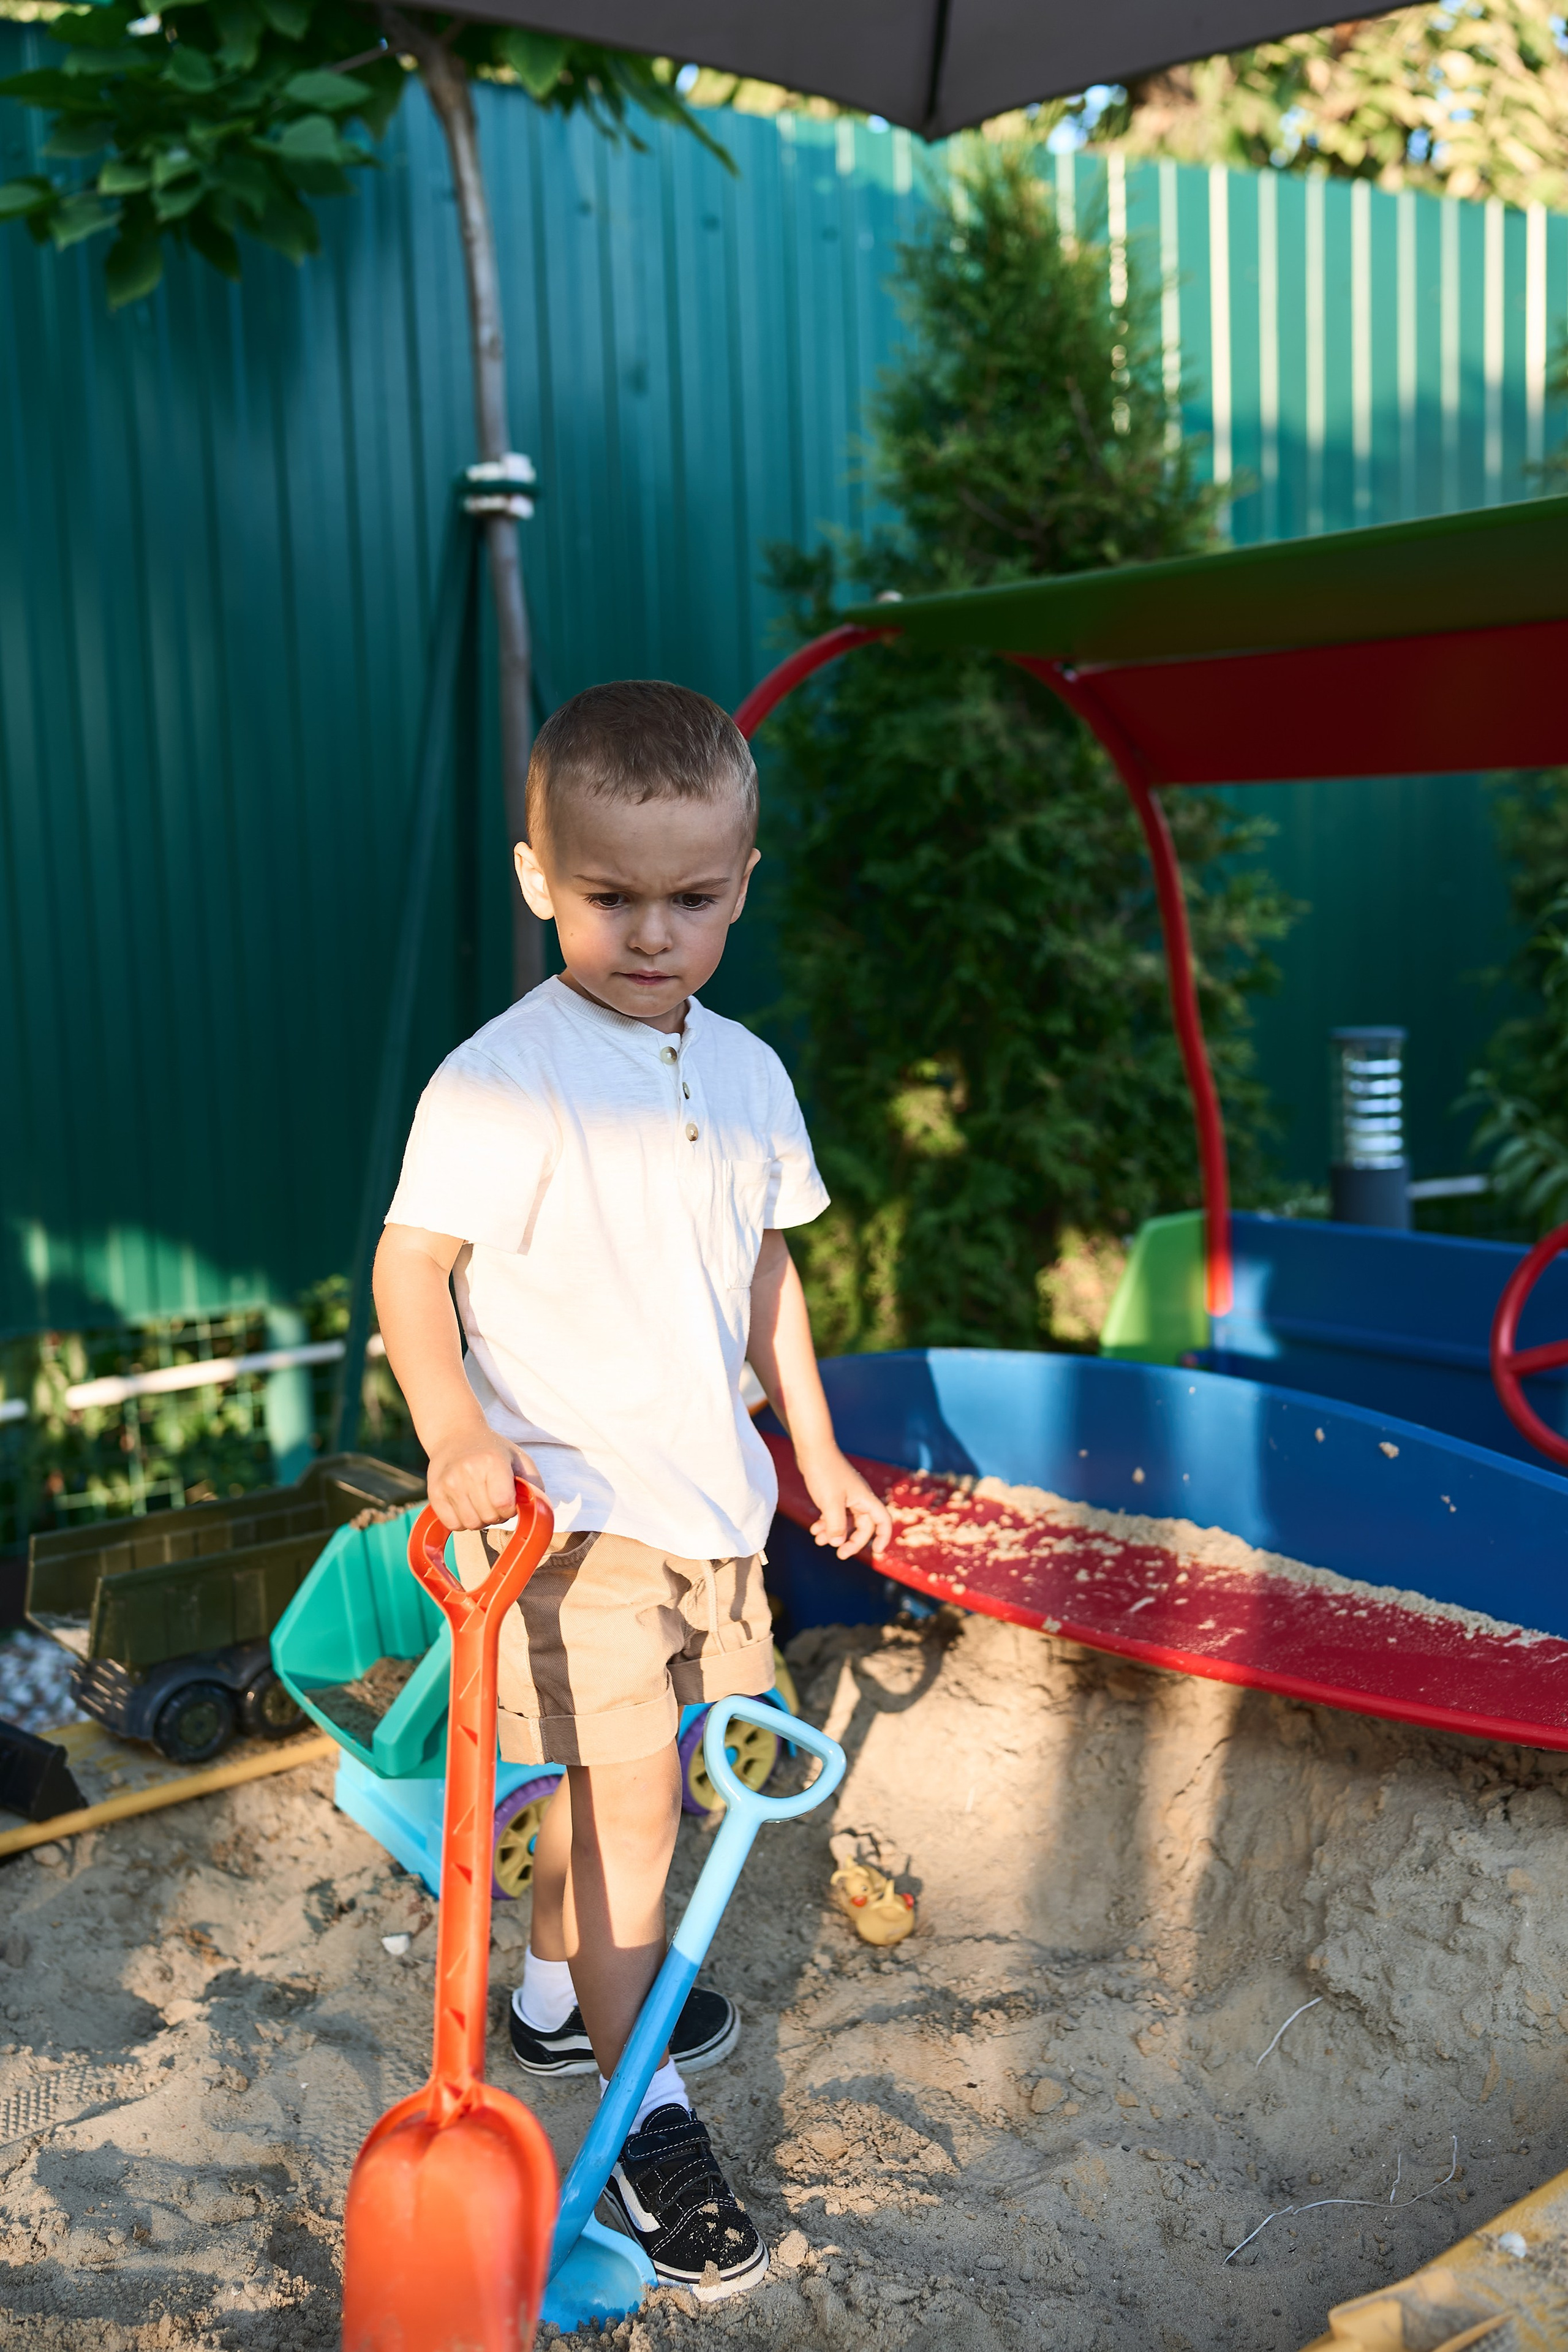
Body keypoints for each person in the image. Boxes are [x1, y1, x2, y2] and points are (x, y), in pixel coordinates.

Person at [373, 679, 892, 2302]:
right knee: (632, 1824)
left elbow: (766, 1274)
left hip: (717, 1520)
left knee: (663, 1788)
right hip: (577, 1524)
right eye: (609, 900)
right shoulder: (502, 1080)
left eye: (689, 899)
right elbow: (412, 1267)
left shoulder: (744, 1076)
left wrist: (811, 1448)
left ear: (743, 882)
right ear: (541, 879)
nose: (649, 934)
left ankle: (556, 2003)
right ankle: (643, 2109)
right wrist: (457, 1430)